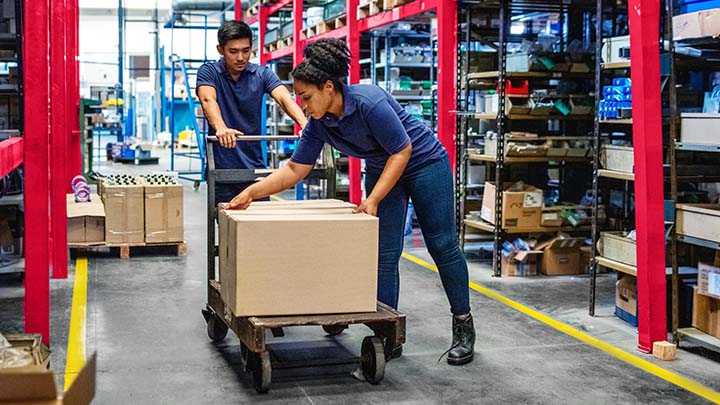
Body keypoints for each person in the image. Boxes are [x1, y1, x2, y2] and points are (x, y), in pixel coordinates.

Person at [226, 38, 475, 365]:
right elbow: (294, 169)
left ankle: (463, 324)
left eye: (306, 96)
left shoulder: (368, 102)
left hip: (423, 164)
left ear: (328, 87)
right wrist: (252, 192)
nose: (301, 105)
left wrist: (371, 199)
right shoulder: (318, 124)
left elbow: (402, 151)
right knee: (384, 254)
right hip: (382, 167)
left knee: (442, 245)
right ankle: (387, 334)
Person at [196, 20, 307, 203]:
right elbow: (208, 99)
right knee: (227, 226)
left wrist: (304, 125)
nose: (240, 57)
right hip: (223, 171)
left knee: (259, 226)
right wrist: (221, 128)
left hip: (255, 170)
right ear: (220, 49)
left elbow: (283, 98)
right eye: (233, 51)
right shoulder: (209, 72)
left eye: (246, 50)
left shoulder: (262, 73)